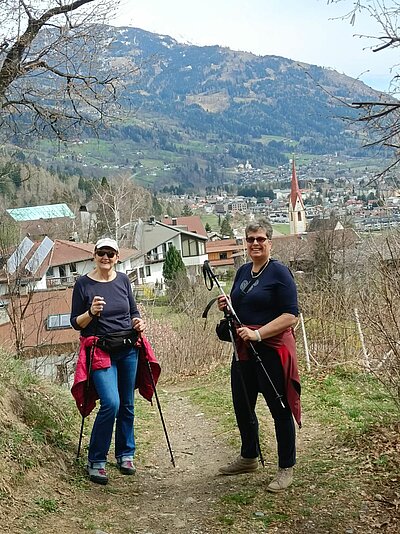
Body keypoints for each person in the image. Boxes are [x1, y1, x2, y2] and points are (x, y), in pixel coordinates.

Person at [217, 219, 301, 492]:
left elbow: (290, 315)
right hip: (243, 351)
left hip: (270, 350)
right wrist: (226, 307)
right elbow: (241, 309)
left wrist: (259, 334)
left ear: (269, 242)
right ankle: (249, 456)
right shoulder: (242, 272)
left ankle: (285, 467)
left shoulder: (279, 273)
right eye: (251, 239)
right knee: (243, 405)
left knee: (279, 409)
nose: (255, 243)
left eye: (260, 239)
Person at [70, 237, 145, 485]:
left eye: (110, 254)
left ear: (117, 257)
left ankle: (126, 454)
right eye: (101, 253)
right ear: (94, 255)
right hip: (100, 350)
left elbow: (133, 311)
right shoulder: (83, 284)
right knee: (110, 403)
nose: (106, 258)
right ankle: (96, 459)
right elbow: (75, 323)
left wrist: (138, 321)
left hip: (127, 348)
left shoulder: (123, 280)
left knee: (127, 404)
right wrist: (91, 312)